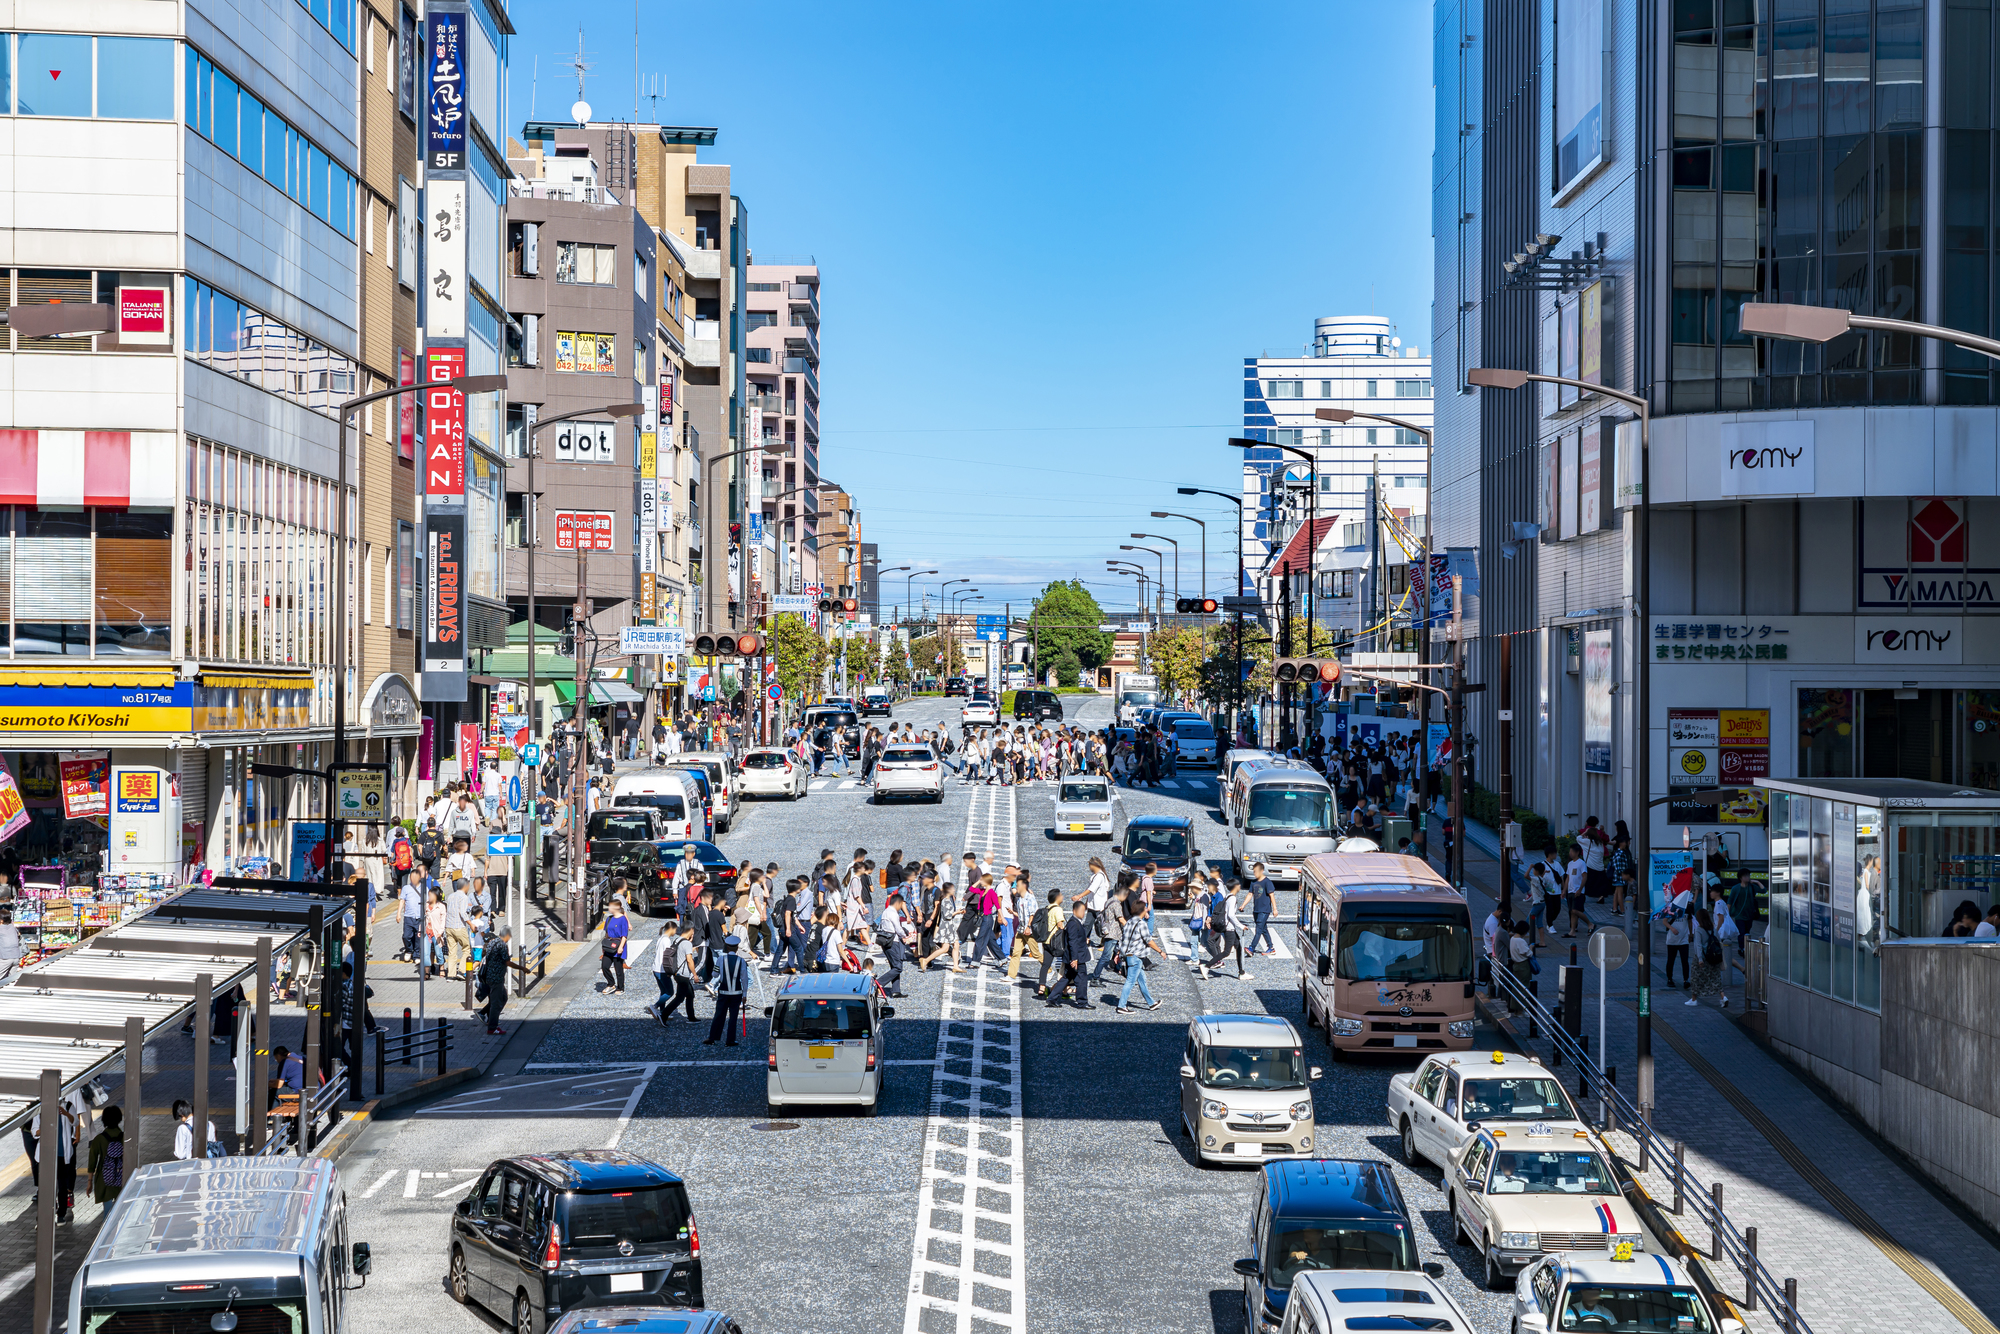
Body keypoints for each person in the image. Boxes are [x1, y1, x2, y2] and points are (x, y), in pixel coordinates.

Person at [1114, 901, 1167, 1013]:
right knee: (1130, 982)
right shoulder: (1141, 924)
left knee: (1142, 980)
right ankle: (1121, 1006)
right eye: (1145, 908)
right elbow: (1149, 941)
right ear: (1142, 911)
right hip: (1136, 957)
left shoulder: (1129, 922)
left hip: (1129, 956)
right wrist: (1160, 951)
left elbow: (1123, 939)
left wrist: (1118, 953)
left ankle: (1151, 1003)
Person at [1045, 900, 1093, 1009]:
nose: (1082, 913)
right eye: (1081, 911)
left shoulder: (1075, 922)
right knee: (1081, 979)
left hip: (1073, 957)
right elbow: (1072, 942)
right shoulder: (1073, 923)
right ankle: (1082, 1002)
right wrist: (1075, 959)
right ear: (1074, 911)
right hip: (1076, 957)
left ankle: (1052, 998)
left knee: (1066, 978)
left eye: (1083, 911)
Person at [703, 934, 749, 1045]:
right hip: (736, 992)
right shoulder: (741, 961)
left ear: (727, 947)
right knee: (733, 1017)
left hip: (723, 991)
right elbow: (744, 979)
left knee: (719, 1015)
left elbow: (714, 974)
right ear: (737, 947)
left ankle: (712, 1037)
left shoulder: (720, 959)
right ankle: (730, 1040)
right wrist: (745, 994)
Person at [86, 1104, 126, 1209]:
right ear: (119, 1119)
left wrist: (89, 1182)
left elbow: (92, 1162)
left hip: (104, 1180)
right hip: (122, 1178)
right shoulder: (125, 1137)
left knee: (107, 1213)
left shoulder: (99, 1139)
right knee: (120, 1211)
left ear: (104, 1120)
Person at [478, 925, 513, 1035]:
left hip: (490, 976)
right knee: (496, 1002)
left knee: (503, 997)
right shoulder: (502, 945)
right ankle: (492, 1027)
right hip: (496, 978)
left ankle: (486, 1015)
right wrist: (522, 968)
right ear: (506, 935)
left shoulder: (492, 942)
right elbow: (507, 961)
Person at [1246, 863, 1277, 956]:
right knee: (1263, 929)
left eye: (1256, 871)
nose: (1254, 873)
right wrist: (1243, 905)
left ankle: (1251, 948)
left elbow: (1272, 896)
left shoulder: (1267, 882)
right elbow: (1250, 894)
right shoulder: (1253, 882)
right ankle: (1271, 947)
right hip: (1256, 910)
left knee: (1258, 929)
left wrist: (1275, 909)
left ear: (1261, 871)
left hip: (1264, 910)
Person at [600, 897, 630, 993]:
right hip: (609, 945)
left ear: (616, 907)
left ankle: (620, 987)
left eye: (610, 906)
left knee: (618, 969)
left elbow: (624, 935)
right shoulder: (609, 918)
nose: (609, 908)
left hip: (618, 945)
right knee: (605, 966)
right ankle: (611, 983)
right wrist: (604, 946)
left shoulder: (622, 919)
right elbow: (606, 933)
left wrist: (621, 947)